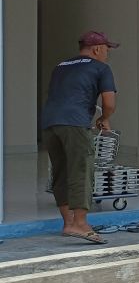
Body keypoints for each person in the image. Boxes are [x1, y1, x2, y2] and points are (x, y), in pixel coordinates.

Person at [41, 31, 119, 245]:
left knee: (61, 170)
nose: (107, 54)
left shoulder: (61, 66)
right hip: (74, 123)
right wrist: (104, 117)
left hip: (49, 123)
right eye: (107, 50)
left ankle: (68, 223)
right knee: (82, 169)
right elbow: (109, 102)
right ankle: (81, 223)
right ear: (97, 49)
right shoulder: (101, 68)